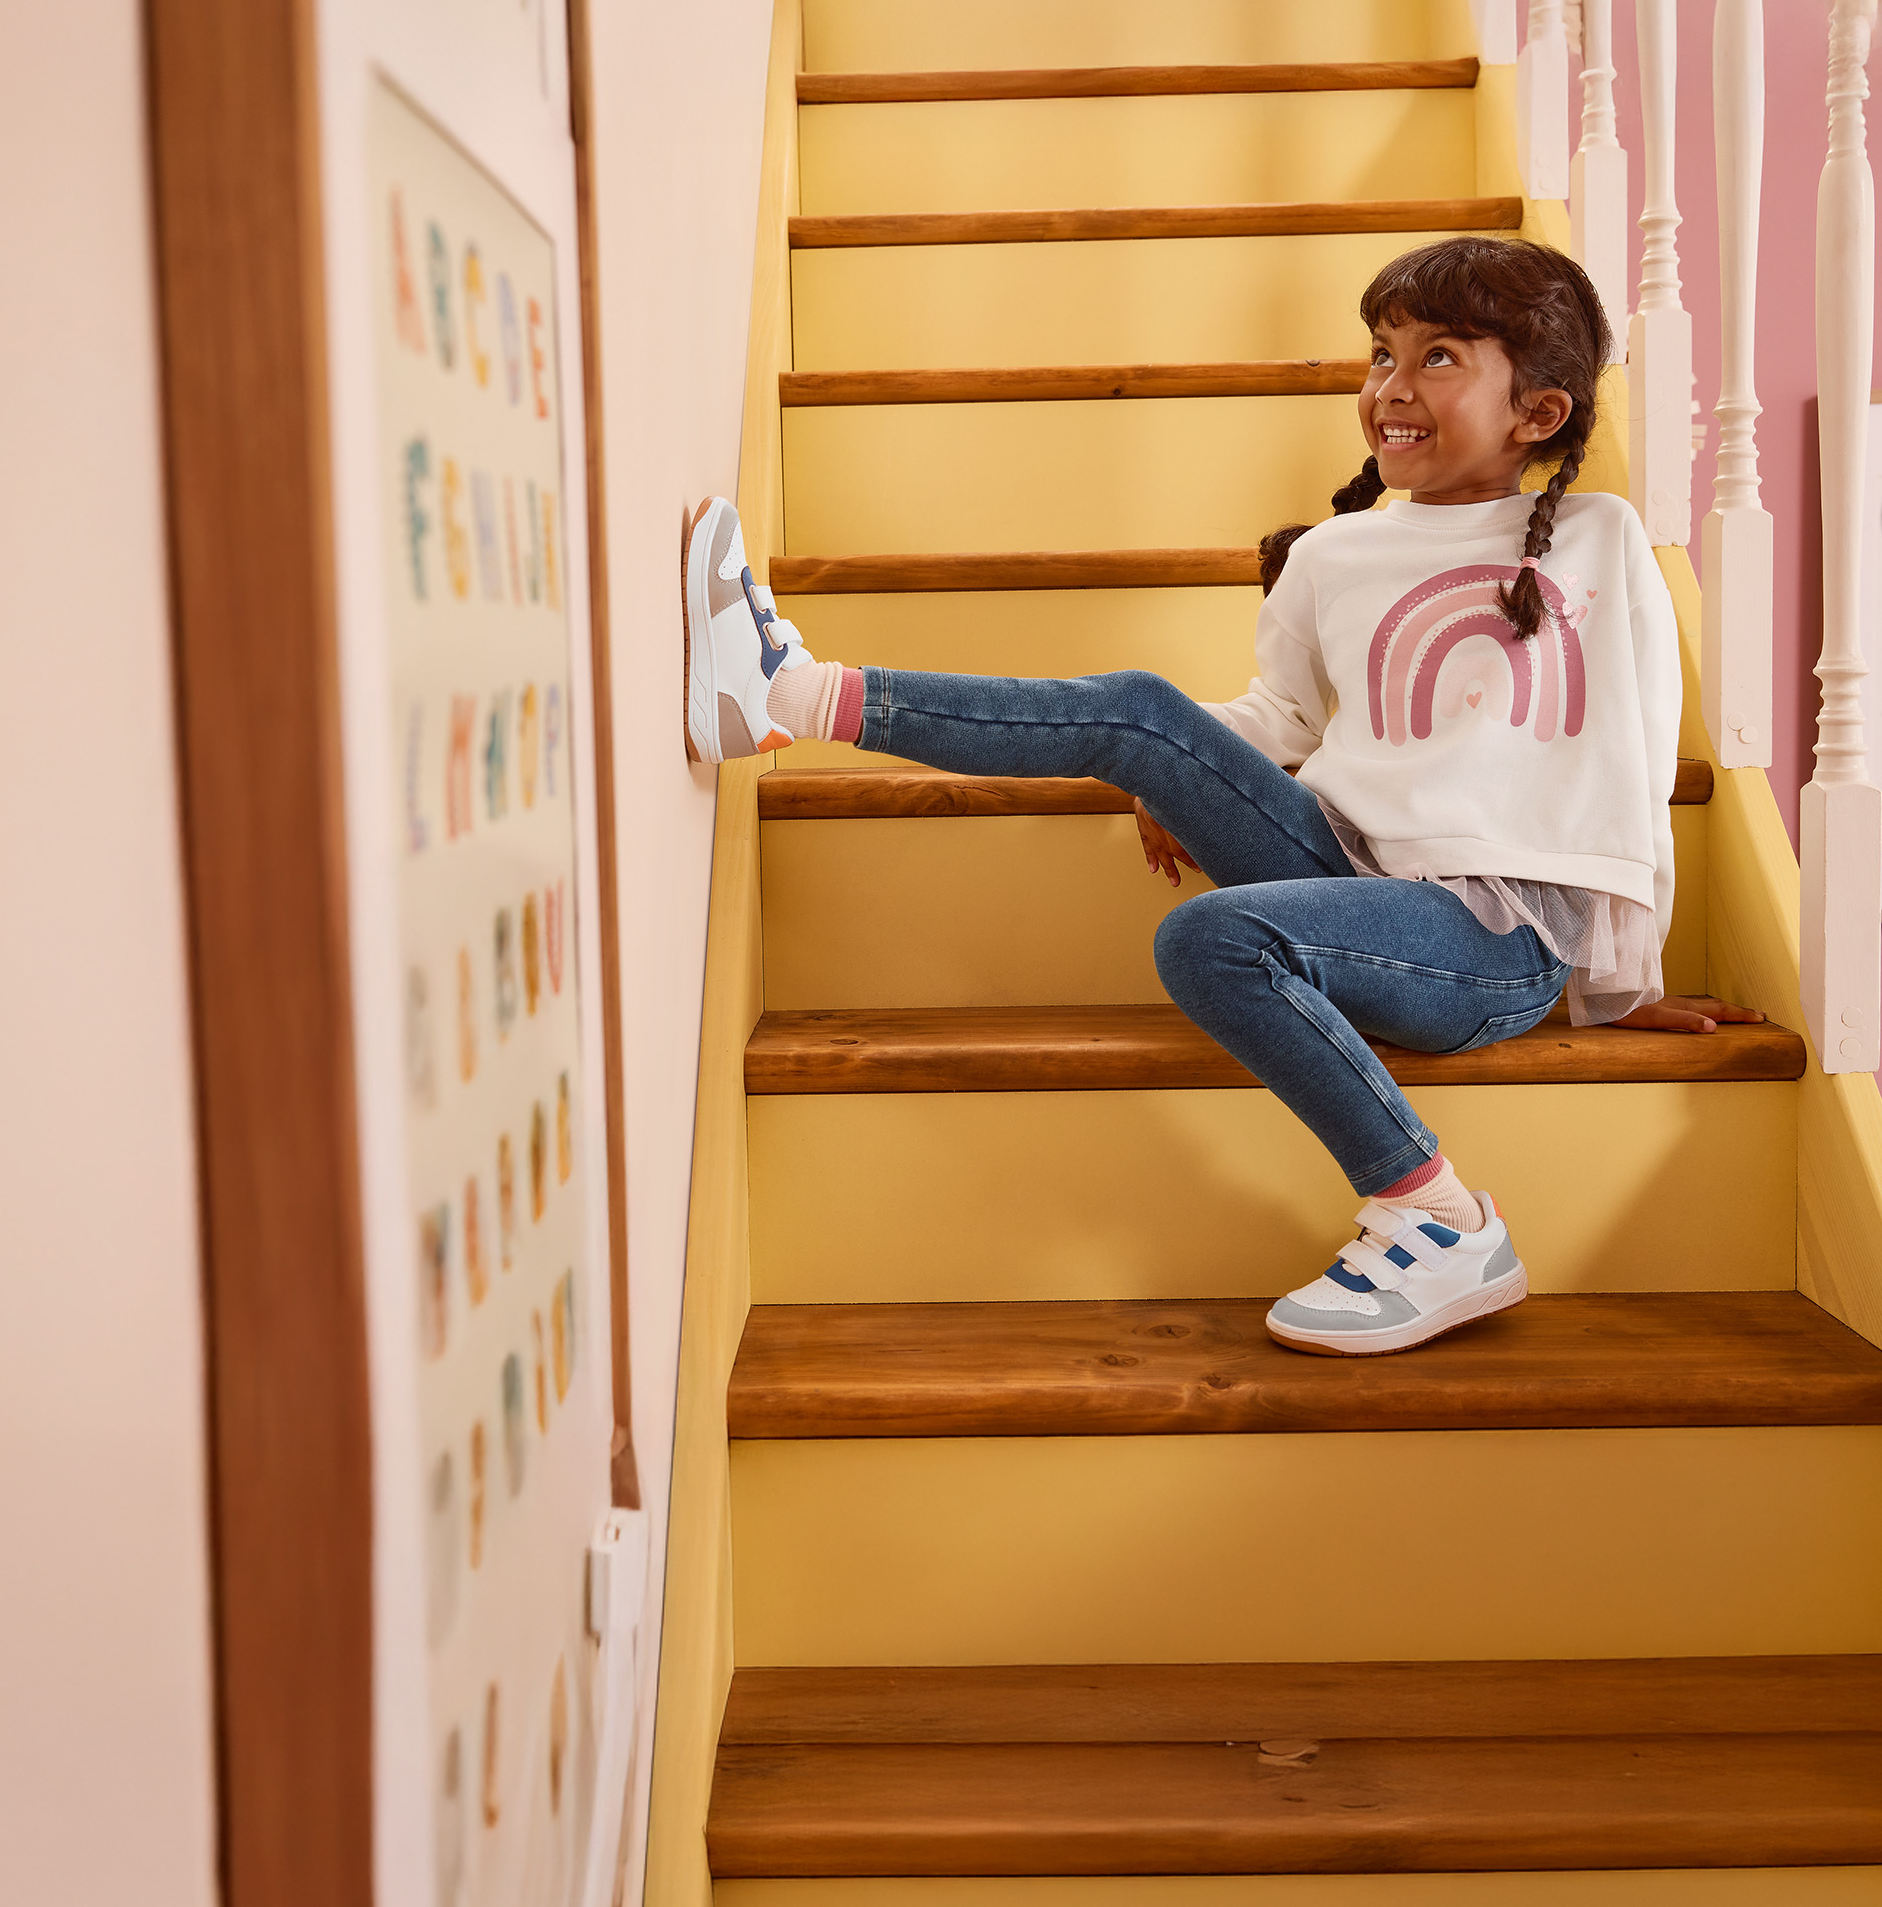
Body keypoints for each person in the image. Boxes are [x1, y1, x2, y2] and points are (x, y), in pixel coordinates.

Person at [682, 236, 1758, 1356]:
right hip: (1348, 864)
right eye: (1382, 354)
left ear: (1538, 412)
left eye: (1437, 357)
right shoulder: (1334, 554)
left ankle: (1438, 1219)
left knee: (1214, 938)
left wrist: (1620, 983)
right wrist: (1185, 767)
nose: (1392, 385)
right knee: (1141, 710)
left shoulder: (1598, 538)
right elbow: (1277, 718)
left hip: (1495, 931)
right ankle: (788, 697)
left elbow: (1633, 762)